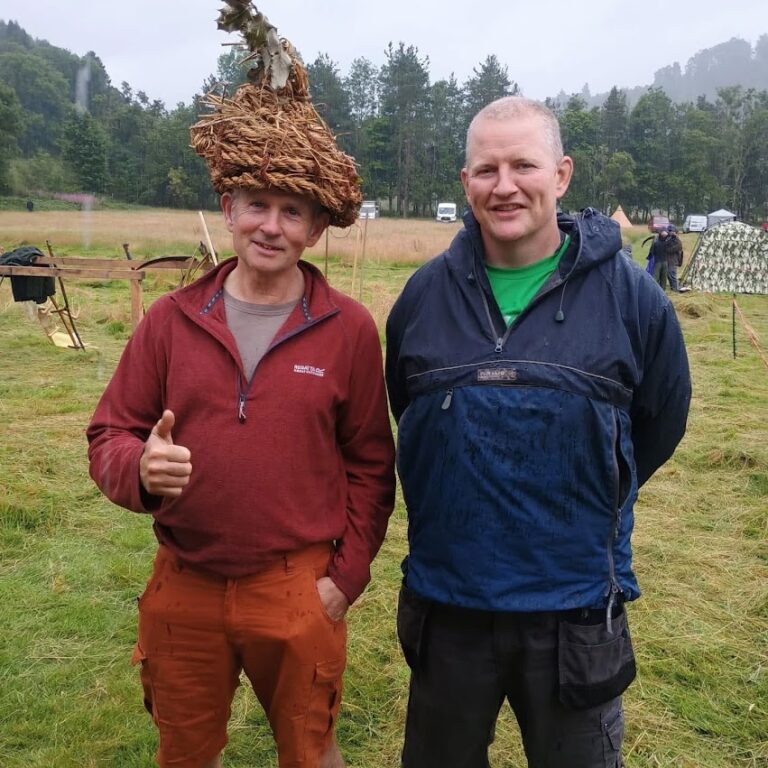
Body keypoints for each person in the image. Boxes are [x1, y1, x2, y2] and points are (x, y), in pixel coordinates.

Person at [87, 21, 395, 768]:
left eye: (293, 211)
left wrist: (341, 582)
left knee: (311, 751)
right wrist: (140, 469)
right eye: (256, 204)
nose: (271, 225)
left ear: (318, 227)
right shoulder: (170, 320)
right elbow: (110, 436)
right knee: (184, 753)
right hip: (183, 584)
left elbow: (371, 466)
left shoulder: (348, 330)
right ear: (227, 209)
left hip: (296, 587)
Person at [385, 96, 691, 768]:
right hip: (449, 602)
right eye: (486, 169)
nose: (505, 185)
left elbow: (660, 422)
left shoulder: (633, 299)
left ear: (561, 174)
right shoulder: (422, 298)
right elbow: (405, 409)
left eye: (523, 164)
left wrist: (590, 483)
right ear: (465, 183)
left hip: (577, 607)